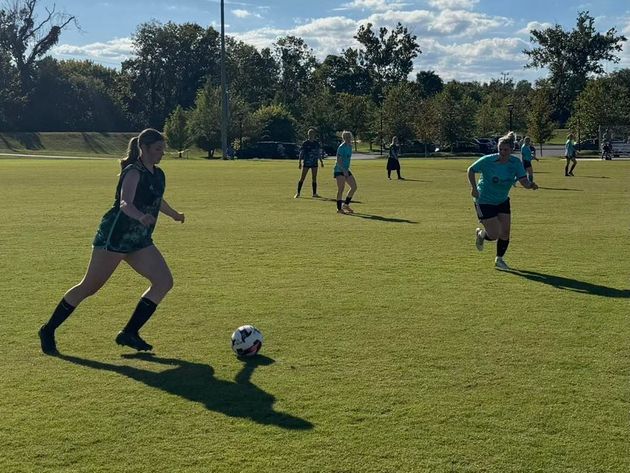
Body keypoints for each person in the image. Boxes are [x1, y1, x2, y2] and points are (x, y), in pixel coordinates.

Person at [38, 129, 185, 355]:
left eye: (162, 149)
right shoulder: (132, 173)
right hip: (115, 238)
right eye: (157, 149)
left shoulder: (159, 174)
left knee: (164, 281)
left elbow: (157, 198)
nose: (161, 153)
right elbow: (125, 203)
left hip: (138, 240)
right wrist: (140, 216)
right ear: (143, 149)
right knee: (89, 287)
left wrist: (174, 214)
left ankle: (129, 332)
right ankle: (48, 330)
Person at [468, 134, 538, 270]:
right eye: (500, 149)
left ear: (511, 150)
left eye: (506, 150)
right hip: (484, 200)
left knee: (505, 232)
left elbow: (523, 180)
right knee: (494, 235)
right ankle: (481, 234)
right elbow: (471, 170)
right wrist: (474, 188)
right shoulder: (488, 161)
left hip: (502, 200)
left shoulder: (515, 163)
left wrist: (530, 185)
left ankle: (499, 260)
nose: (502, 153)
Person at [295, 128, 324, 198]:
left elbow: (318, 153)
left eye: (313, 134)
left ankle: (314, 193)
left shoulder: (316, 143)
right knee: (302, 177)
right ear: (308, 135)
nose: (311, 135)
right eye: (310, 134)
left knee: (314, 178)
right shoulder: (305, 143)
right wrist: (299, 162)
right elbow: (301, 153)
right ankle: (298, 193)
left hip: (314, 163)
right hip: (307, 162)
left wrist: (321, 161)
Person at [334, 131, 358, 214]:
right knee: (341, 189)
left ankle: (346, 205)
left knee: (354, 187)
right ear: (343, 138)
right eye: (346, 137)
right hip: (339, 170)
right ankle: (339, 209)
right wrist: (343, 170)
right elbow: (338, 160)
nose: (348, 139)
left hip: (346, 169)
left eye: (349, 137)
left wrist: (346, 170)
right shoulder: (341, 147)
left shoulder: (350, 146)